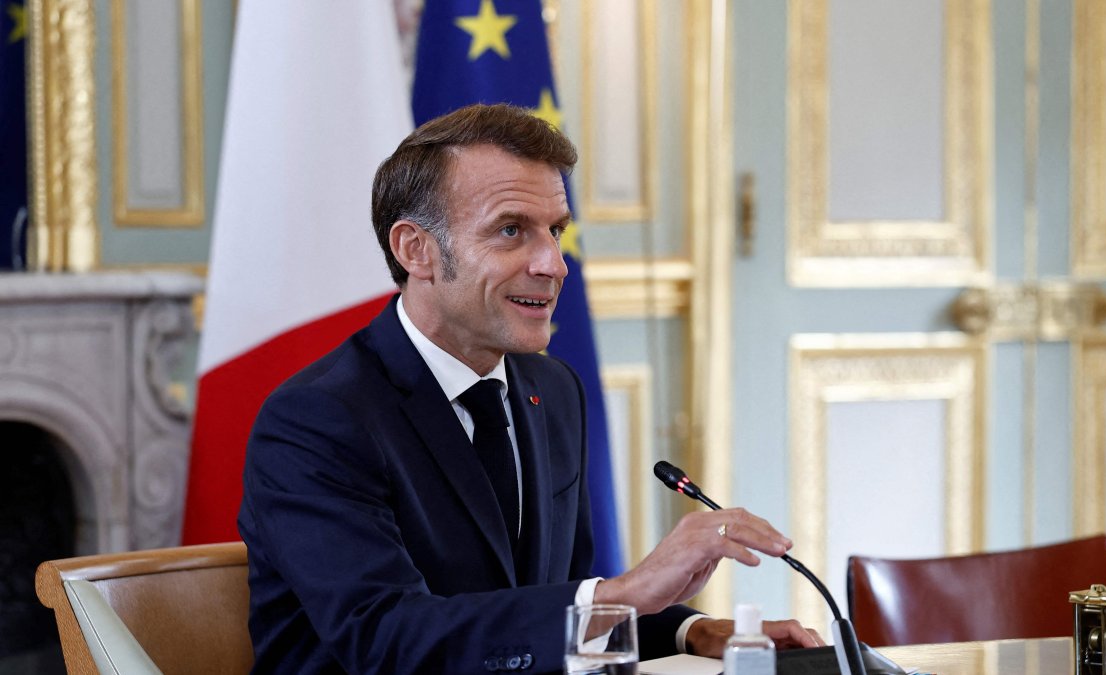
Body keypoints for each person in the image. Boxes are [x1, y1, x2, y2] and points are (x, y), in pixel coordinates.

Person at [238, 103, 820, 674]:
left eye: (557, 231)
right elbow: (387, 638)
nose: (555, 264)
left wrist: (695, 631)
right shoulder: (317, 418)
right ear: (416, 250)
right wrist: (629, 589)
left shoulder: (553, 389)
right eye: (512, 230)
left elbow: (549, 605)